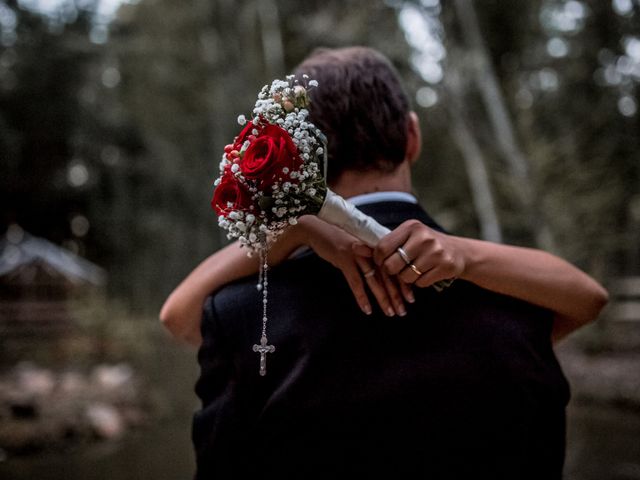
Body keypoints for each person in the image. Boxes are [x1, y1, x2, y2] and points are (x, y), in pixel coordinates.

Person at [160, 47, 608, 479]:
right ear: (413, 137)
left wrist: (293, 228)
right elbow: (590, 299)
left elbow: (178, 318)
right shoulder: (524, 298)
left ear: (303, 158)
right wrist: (467, 256)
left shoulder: (237, 314)